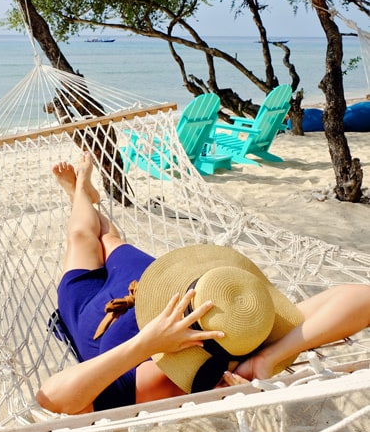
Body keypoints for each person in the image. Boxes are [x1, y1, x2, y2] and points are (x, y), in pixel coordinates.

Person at [36, 152, 370, 415]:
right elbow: (362, 298)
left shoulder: (173, 378)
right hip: (159, 289)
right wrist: (273, 355)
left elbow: (51, 397)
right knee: (107, 237)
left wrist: (147, 345)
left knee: (83, 236)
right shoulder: (245, 322)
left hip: (93, 320)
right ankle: (83, 193)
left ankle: (80, 191)